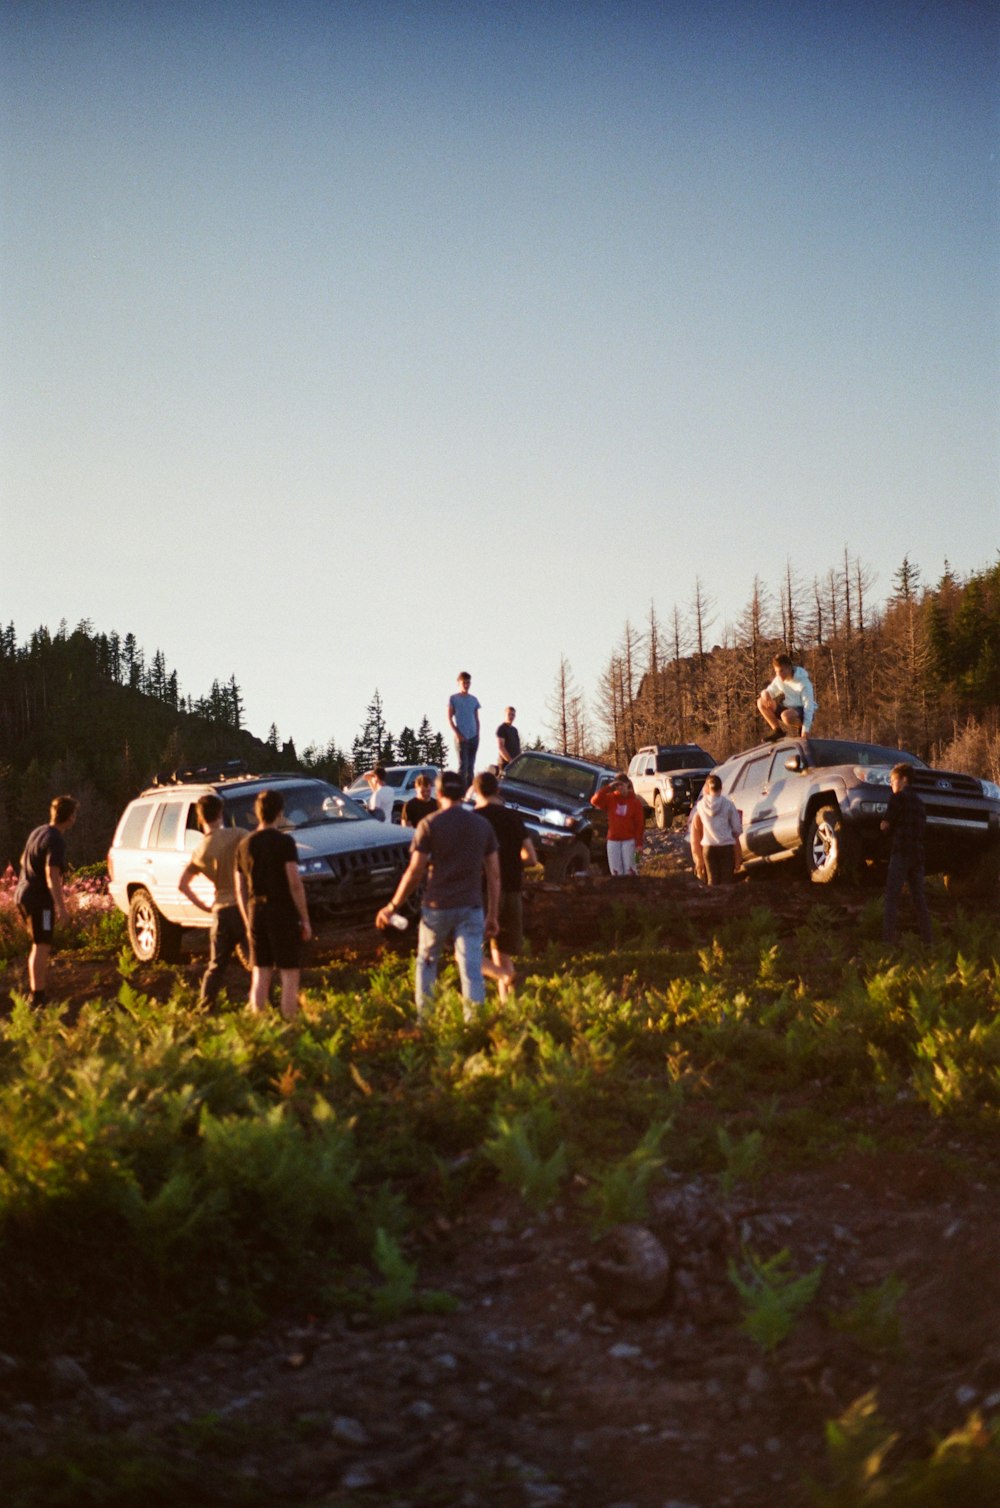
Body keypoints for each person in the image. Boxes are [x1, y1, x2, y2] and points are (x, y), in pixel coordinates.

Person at [375, 770, 500, 1020]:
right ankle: (474, 1026)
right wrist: (493, 914)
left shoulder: (429, 824)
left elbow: (415, 871)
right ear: (463, 793)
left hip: (437, 906)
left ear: (439, 793)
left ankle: (427, 1022)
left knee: (427, 962)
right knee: (471, 969)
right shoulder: (481, 825)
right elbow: (495, 875)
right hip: (471, 906)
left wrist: (392, 906)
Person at [236, 788, 312, 1020]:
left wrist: (247, 920)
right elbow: (294, 882)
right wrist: (305, 919)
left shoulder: (244, 844)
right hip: (282, 911)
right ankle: (289, 1023)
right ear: (280, 813)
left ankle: (258, 1028)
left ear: (257, 813)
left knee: (260, 973)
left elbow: (240, 888)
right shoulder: (284, 842)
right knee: (289, 973)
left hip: (255, 910)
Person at [472, 770, 538, 1002]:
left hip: (482, 891)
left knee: (470, 951)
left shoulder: (474, 819)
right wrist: (509, 860)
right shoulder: (513, 817)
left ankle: (495, 988)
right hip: (512, 888)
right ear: (497, 790)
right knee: (502, 952)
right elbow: (531, 858)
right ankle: (508, 1008)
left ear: (475, 790)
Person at [178, 793, 247, 1008]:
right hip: (243, 907)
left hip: (220, 911)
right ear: (220, 813)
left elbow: (183, 885)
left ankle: (204, 1008)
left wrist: (206, 907)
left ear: (200, 819)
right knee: (257, 961)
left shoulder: (200, 850)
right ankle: (264, 1006)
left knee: (216, 965)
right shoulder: (239, 835)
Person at [15, 795, 78, 1005]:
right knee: (42, 945)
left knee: (38, 944)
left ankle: (37, 993)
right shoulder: (56, 840)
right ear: (70, 817)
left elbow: (23, 860)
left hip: (22, 893)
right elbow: (52, 874)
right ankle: (37, 997)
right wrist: (61, 907)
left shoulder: (38, 832)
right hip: (38, 899)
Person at [880, 763, 932, 946]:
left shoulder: (897, 798)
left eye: (893, 780)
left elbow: (886, 825)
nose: (891, 785)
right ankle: (928, 942)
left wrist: (881, 826)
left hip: (901, 852)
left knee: (892, 898)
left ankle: (887, 942)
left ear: (903, 779)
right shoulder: (920, 802)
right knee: (919, 900)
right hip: (917, 854)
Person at [691, 775, 743, 885]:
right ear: (721, 788)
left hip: (708, 847)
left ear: (707, 788)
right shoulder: (728, 804)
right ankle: (726, 901)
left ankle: (714, 901)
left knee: (712, 880)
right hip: (726, 846)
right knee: (727, 880)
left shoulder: (700, 806)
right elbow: (737, 828)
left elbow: (696, 826)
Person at [590, 775, 646, 877]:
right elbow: (594, 801)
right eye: (617, 785)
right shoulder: (611, 798)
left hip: (629, 841)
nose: (619, 787)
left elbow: (639, 825)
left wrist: (639, 845)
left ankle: (632, 890)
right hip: (613, 840)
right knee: (615, 871)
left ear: (627, 784)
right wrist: (608, 787)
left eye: (621, 785)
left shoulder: (635, 802)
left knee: (631, 870)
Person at [757, 653, 817, 741]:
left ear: (789, 668)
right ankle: (778, 731)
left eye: (782, 671)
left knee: (786, 716)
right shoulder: (779, 679)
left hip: (803, 711)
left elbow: (809, 706)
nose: (779, 675)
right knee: (761, 702)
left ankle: (801, 727)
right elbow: (770, 691)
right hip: (789, 709)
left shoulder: (803, 682)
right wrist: (765, 693)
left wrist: (806, 729)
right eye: (776, 672)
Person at [447, 671, 481, 789]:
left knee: (471, 767)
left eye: (468, 683)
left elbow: (477, 718)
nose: (466, 685)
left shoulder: (474, 700)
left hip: (473, 736)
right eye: (464, 683)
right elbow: (449, 718)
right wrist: (458, 734)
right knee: (463, 766)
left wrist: (478, 734)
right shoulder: (453, 699)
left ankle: (469, 793)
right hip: (461, 737)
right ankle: (460, 792)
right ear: (459, 683)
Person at [496, 707, 521, 773]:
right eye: (509, 714)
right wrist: (510, 761)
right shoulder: (502, 728)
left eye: (513, 715)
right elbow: (501, 747)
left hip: (515, 764)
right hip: (505, 764)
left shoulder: (514, 730)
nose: (511, 716)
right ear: (505, 715)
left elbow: (517, 747)